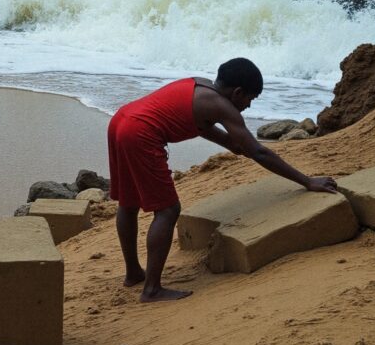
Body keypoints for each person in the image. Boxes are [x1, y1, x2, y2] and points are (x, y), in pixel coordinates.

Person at [107, 58, 337, 303]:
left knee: (129, 204)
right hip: (141, 134)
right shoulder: (222, 106)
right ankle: (152, 289)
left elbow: (202, 125)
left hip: (121, 120)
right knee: (167, 210)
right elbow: (259, 152)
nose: (248, 105)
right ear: (237, 92)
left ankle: (133, 273)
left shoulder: (201, 86)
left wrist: (230, 143)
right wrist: (307, 181)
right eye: (250, 98)